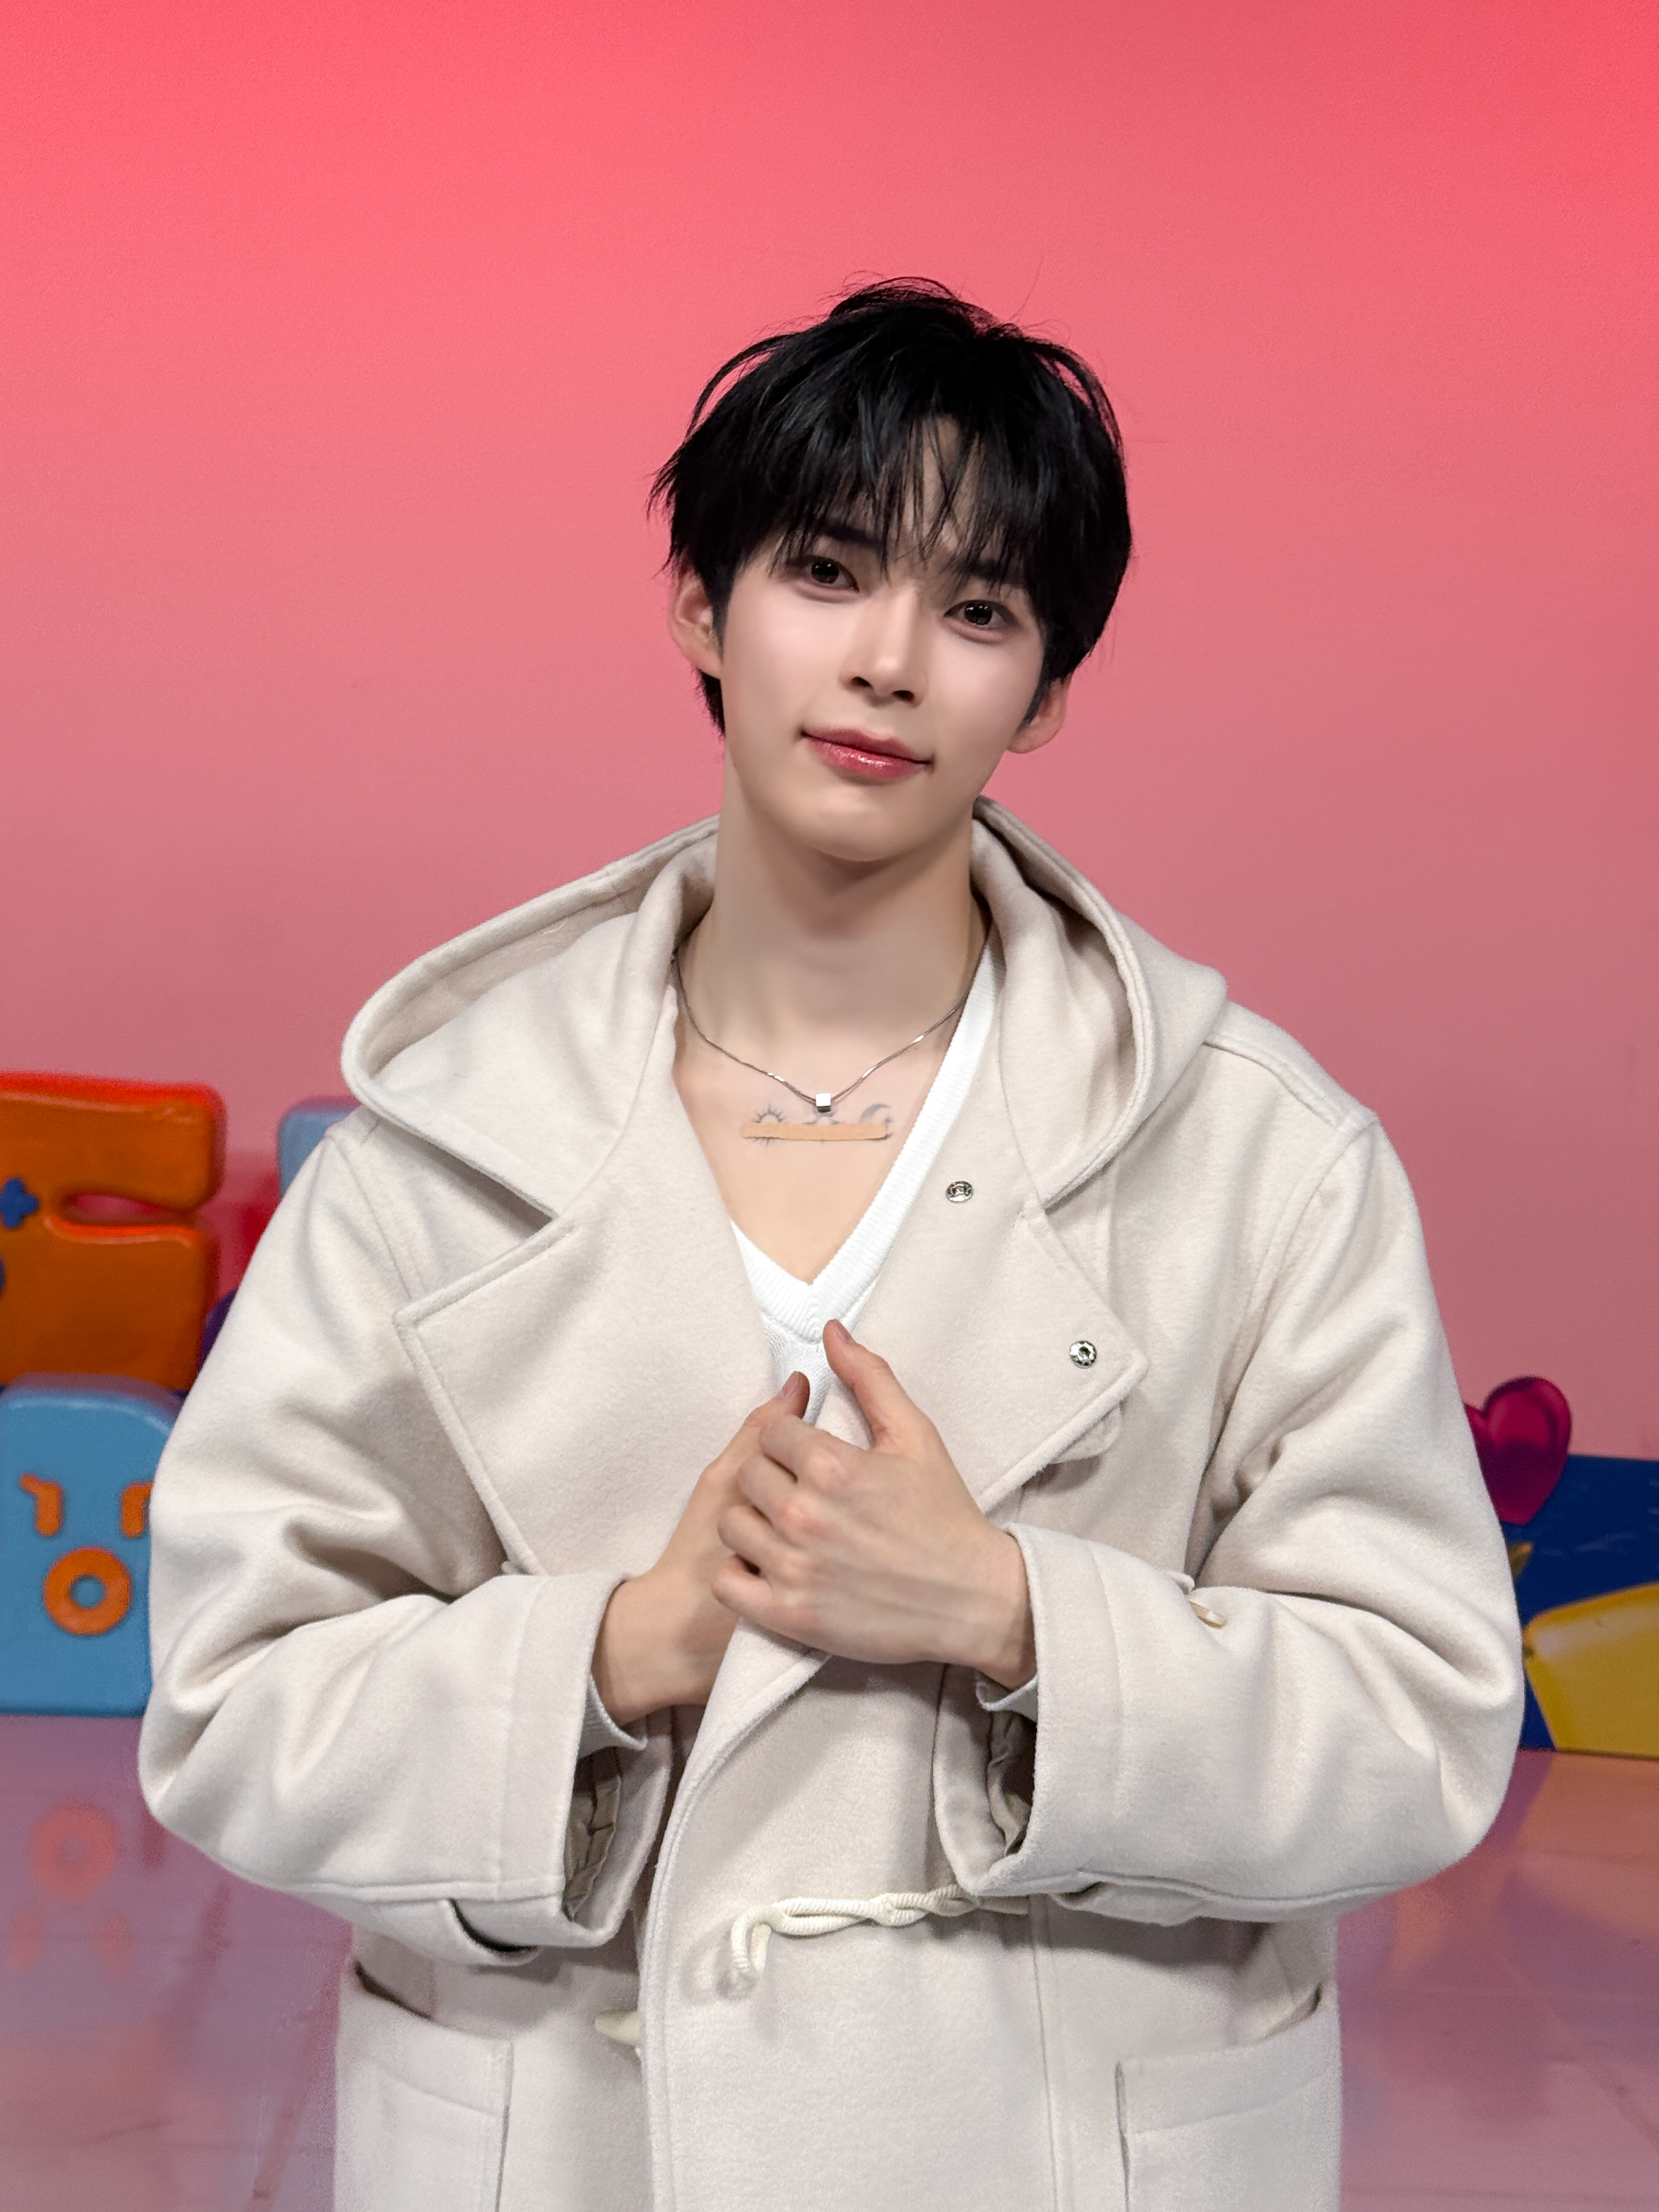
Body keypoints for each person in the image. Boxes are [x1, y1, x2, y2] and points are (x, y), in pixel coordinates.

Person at [140, 281, 1523, 2212]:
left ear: (1045, 693)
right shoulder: (433, 1160)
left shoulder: (1262, 1159)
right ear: (702, 609)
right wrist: (630, 1648)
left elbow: (1422, 1723)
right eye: (825, 570)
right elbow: (232, 1708)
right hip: (571, 2154)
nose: (887, 661)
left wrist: (1015, 1616)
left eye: (979, 611)